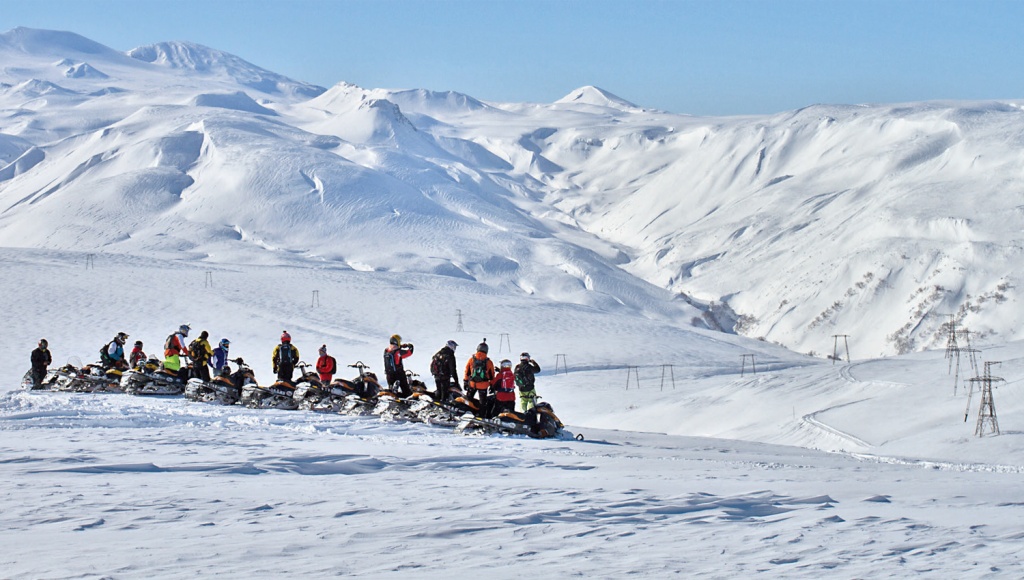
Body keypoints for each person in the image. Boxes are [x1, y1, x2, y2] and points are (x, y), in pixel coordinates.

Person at [463, 340, 495, 406]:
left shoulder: (471, 359)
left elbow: (467, 371)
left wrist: (465, 382)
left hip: (472, 384)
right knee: (482, 403)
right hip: (483, 385)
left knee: (468, 400)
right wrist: (492, 385)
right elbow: (491, 375)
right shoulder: (489, 362)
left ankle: (468, 413)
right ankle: (481, 415)